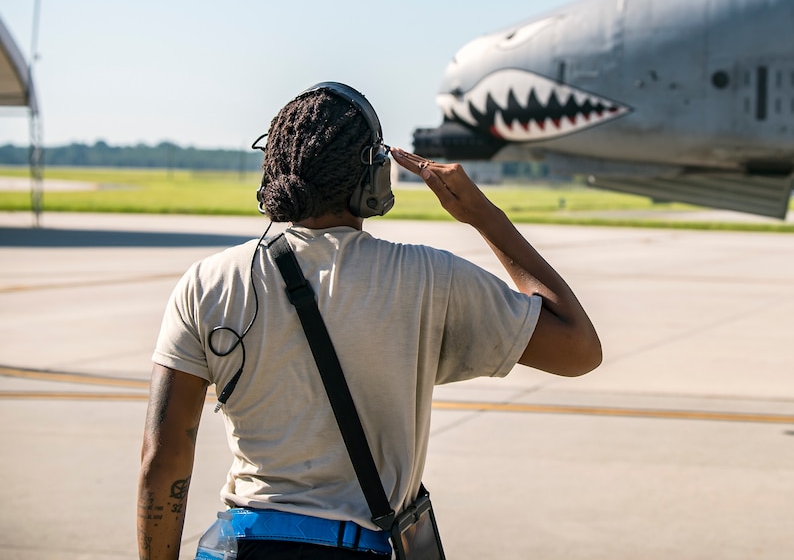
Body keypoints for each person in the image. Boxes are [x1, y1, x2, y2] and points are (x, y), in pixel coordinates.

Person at [137, 82, 602, 560]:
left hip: (244, 544)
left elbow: (163, 460)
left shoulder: (207, 282)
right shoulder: (428, 277)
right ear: (375, 177)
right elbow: (578, 350)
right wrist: (483, 216)